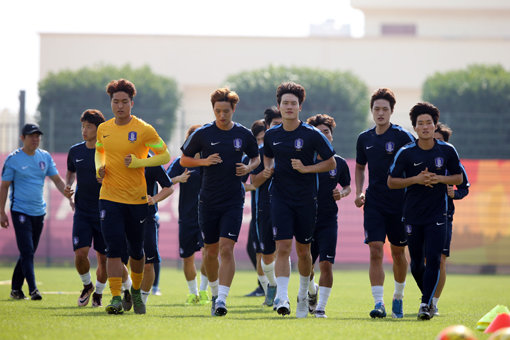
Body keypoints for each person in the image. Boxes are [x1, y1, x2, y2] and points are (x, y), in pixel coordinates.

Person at [180, 87, 260, 316]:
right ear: (213, 110)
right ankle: (214, 294)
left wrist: (248, 167)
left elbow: (256, 158)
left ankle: (222, 299)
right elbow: (185, 159)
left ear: (233, 109)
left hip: (233, 200)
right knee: (210, 252)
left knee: (227, 249)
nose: (222, 115)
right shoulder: (203, 134)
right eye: (217, 111)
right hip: (208, 201)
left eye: (226, 110)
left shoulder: (244, 134)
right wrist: (204, 162)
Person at [95, 79, 170, 315]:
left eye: (124, 102)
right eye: (115, 102)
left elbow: (164, 155)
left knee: (137, 253)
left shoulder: (144, 129)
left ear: (132, 103)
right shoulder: (103, 128)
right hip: (109, 196)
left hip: (137, 200)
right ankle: (116, 297)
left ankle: (135, 292)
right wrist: (100, 166)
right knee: (113, 250)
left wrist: (140, 162)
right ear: (111, 103)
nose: (119, 106)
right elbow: (99, 151)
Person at [263, 82, 336, 318]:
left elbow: (331, 162)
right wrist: (268, 169)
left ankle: (304, 295)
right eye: (285, 103)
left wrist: (306, 169)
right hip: (280, 197)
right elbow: (267, 155)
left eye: (293, 103)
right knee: (282, 247)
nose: (289, 107)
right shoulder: (272, 135)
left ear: (300, 106)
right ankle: (282, 298)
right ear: (279, 106)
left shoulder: (312, 134)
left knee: (304, 251)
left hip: (306, 199)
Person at [388, 102, 463, 320]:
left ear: (434, 125)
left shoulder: (447, 150)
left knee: (434, 259)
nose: (425, 127)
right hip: (412, 214)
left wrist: (438, 178)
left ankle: (425, 304)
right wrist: (417, 179)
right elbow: (392, 181)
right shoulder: (405, 153)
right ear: (415, 127)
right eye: (420, 123)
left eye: (428, 123)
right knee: (416, 264)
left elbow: (458, 177)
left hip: (438, 214)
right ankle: (427, 297)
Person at [354, 88, 415, 319]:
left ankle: (398, 296)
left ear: (391, 112)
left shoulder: (403, 137)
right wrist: (360, 192)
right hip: (374, 203)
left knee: (399, 253)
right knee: (375, 250)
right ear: (371, 111)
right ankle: (378, 303)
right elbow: (360, 167)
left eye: (385, 109)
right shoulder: (364, 138)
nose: (380, 113)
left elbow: (414, 162)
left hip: (400, 204)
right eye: (377, 109)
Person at [1, 123, 73, 300]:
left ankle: (16, 290)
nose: (35, 139)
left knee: (28, 251)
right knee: (27, 251)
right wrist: (1, 212)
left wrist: (69, 196)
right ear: (22, 138)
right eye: (31, 135)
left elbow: (56, 180)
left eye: (37, 135)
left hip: (39, 212)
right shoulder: (13, 159)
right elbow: (4, 187)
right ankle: (33, 289)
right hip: (20, 211)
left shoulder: (45, 157)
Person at [305, 114, 351, 318]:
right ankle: (311, 291)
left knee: (326, 263)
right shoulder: (305, 162)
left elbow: (348, 186)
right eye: (318, 132)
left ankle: (321, 308)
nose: (323, 135)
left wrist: (341, 193)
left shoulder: (338, 163)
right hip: (305, 219)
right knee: (306, 267)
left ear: (331, 136)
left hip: (328, 220)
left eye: (327, 132)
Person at [65, 109, 107, 307]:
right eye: (83, 126)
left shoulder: (107, 151)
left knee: (104, 258)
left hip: (105, 210)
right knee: (80, 253)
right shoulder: (75, 151)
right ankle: (87, 285)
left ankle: (98, 293)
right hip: (82, 210)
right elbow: (71, 172)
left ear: (98, 129)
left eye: (89, 127)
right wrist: (68, 186)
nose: (84, 130)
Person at [167, 125, 210, 306]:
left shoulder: (211, 162)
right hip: (186, 217)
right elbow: (164, 180)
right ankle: (193, 294)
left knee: (210, 253)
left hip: (208, 217)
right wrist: (178, 179)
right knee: (187, 257)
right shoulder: (181, 162)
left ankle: (204, 291)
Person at [431, 122, 470, 316]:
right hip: (420, 217)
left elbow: (464, 188)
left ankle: (433, 303)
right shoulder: (418, 160)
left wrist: (454, 194)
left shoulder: (454, 166)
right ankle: (426, 298)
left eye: (439, 140)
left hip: (445, 217)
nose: (435, 144)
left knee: (440, 260)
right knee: (421, 262)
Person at [250, 107, 282, 307]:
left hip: (290, 206)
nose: (279, 128)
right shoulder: (260, 153)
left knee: (285, 248)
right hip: (265, 206)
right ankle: (271, 284)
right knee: (266, 254)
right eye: (275, 125)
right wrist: (268, 171)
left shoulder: (295, 148)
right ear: (268, 126)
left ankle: (284, 295)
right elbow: (254, 181)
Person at [139, 158, 174, 306]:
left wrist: (154, 199)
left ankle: (143, 299)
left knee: (150, 259)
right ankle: (127, 289)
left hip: (148, 217)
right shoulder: (120, 156)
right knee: (123, 258)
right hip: (124, 216)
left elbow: (169, 186)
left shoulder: (152, 161)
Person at [245, 119, 268, 298]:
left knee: (267, 250)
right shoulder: (251, 158)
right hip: (257, 209)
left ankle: (268, 287)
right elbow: (248, 184)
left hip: (274, 207)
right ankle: (264, 286)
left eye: (263, 138)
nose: (261, 143)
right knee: (255, 249)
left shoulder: (273, 153)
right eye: (258, 140)